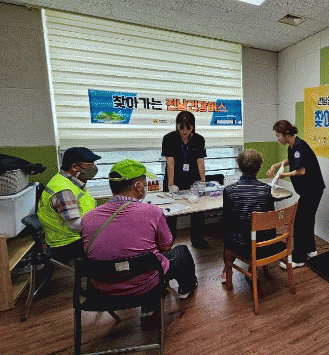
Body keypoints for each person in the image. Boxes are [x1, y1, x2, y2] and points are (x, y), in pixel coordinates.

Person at [81, 159, 197, 299]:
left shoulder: (88, 217)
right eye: (145, 182)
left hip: (101, 287)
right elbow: (166, 247)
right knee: (182, 251)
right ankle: (186, 288)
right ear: (138, 186)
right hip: (145, 283)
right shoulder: (152, 212)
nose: (146, 186)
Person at [267, 120, 325, 268]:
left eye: (278, 136)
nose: (278, 139)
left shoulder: (299, 146)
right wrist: (276, 165)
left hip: (312, 189)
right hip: (312, 189)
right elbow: (291, 160)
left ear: (286, 134)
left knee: (299, 223)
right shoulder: (293, 145)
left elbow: (301, 171)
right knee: (307, 220)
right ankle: (311, 250)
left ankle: (299, 259)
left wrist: (282, 175)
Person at [37, 147, 100, 264]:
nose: (94, 167)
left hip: (74, 238)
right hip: (67, 244)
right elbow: (75, 225)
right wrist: (102, 227)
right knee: (113, 240)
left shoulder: (70, 182)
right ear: (75, 167)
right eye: (90, 164)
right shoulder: (64, 190)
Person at [220, 149, 276, 282]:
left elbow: (226, 221)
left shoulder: (229, 191)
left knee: (229, 233)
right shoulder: (266, 190)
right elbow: (270, 219)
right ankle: (253, 267)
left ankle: (227, 268)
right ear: (259, 167)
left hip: (239, 244)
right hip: (262, 243)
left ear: (239, 167)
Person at [161, 110, 209, 248]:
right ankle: (168, 243)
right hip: (174, 178)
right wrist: (171, 185)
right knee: (171, 213)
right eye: (181, 128)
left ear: (193, 126)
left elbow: (200, 162)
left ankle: (198, 240)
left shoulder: (199, 139)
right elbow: (170, 162)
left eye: (188, 128)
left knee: (198, 210)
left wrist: (203, 181)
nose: (185, 131)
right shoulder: (169, 138)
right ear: (177, 125)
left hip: (192, 178)